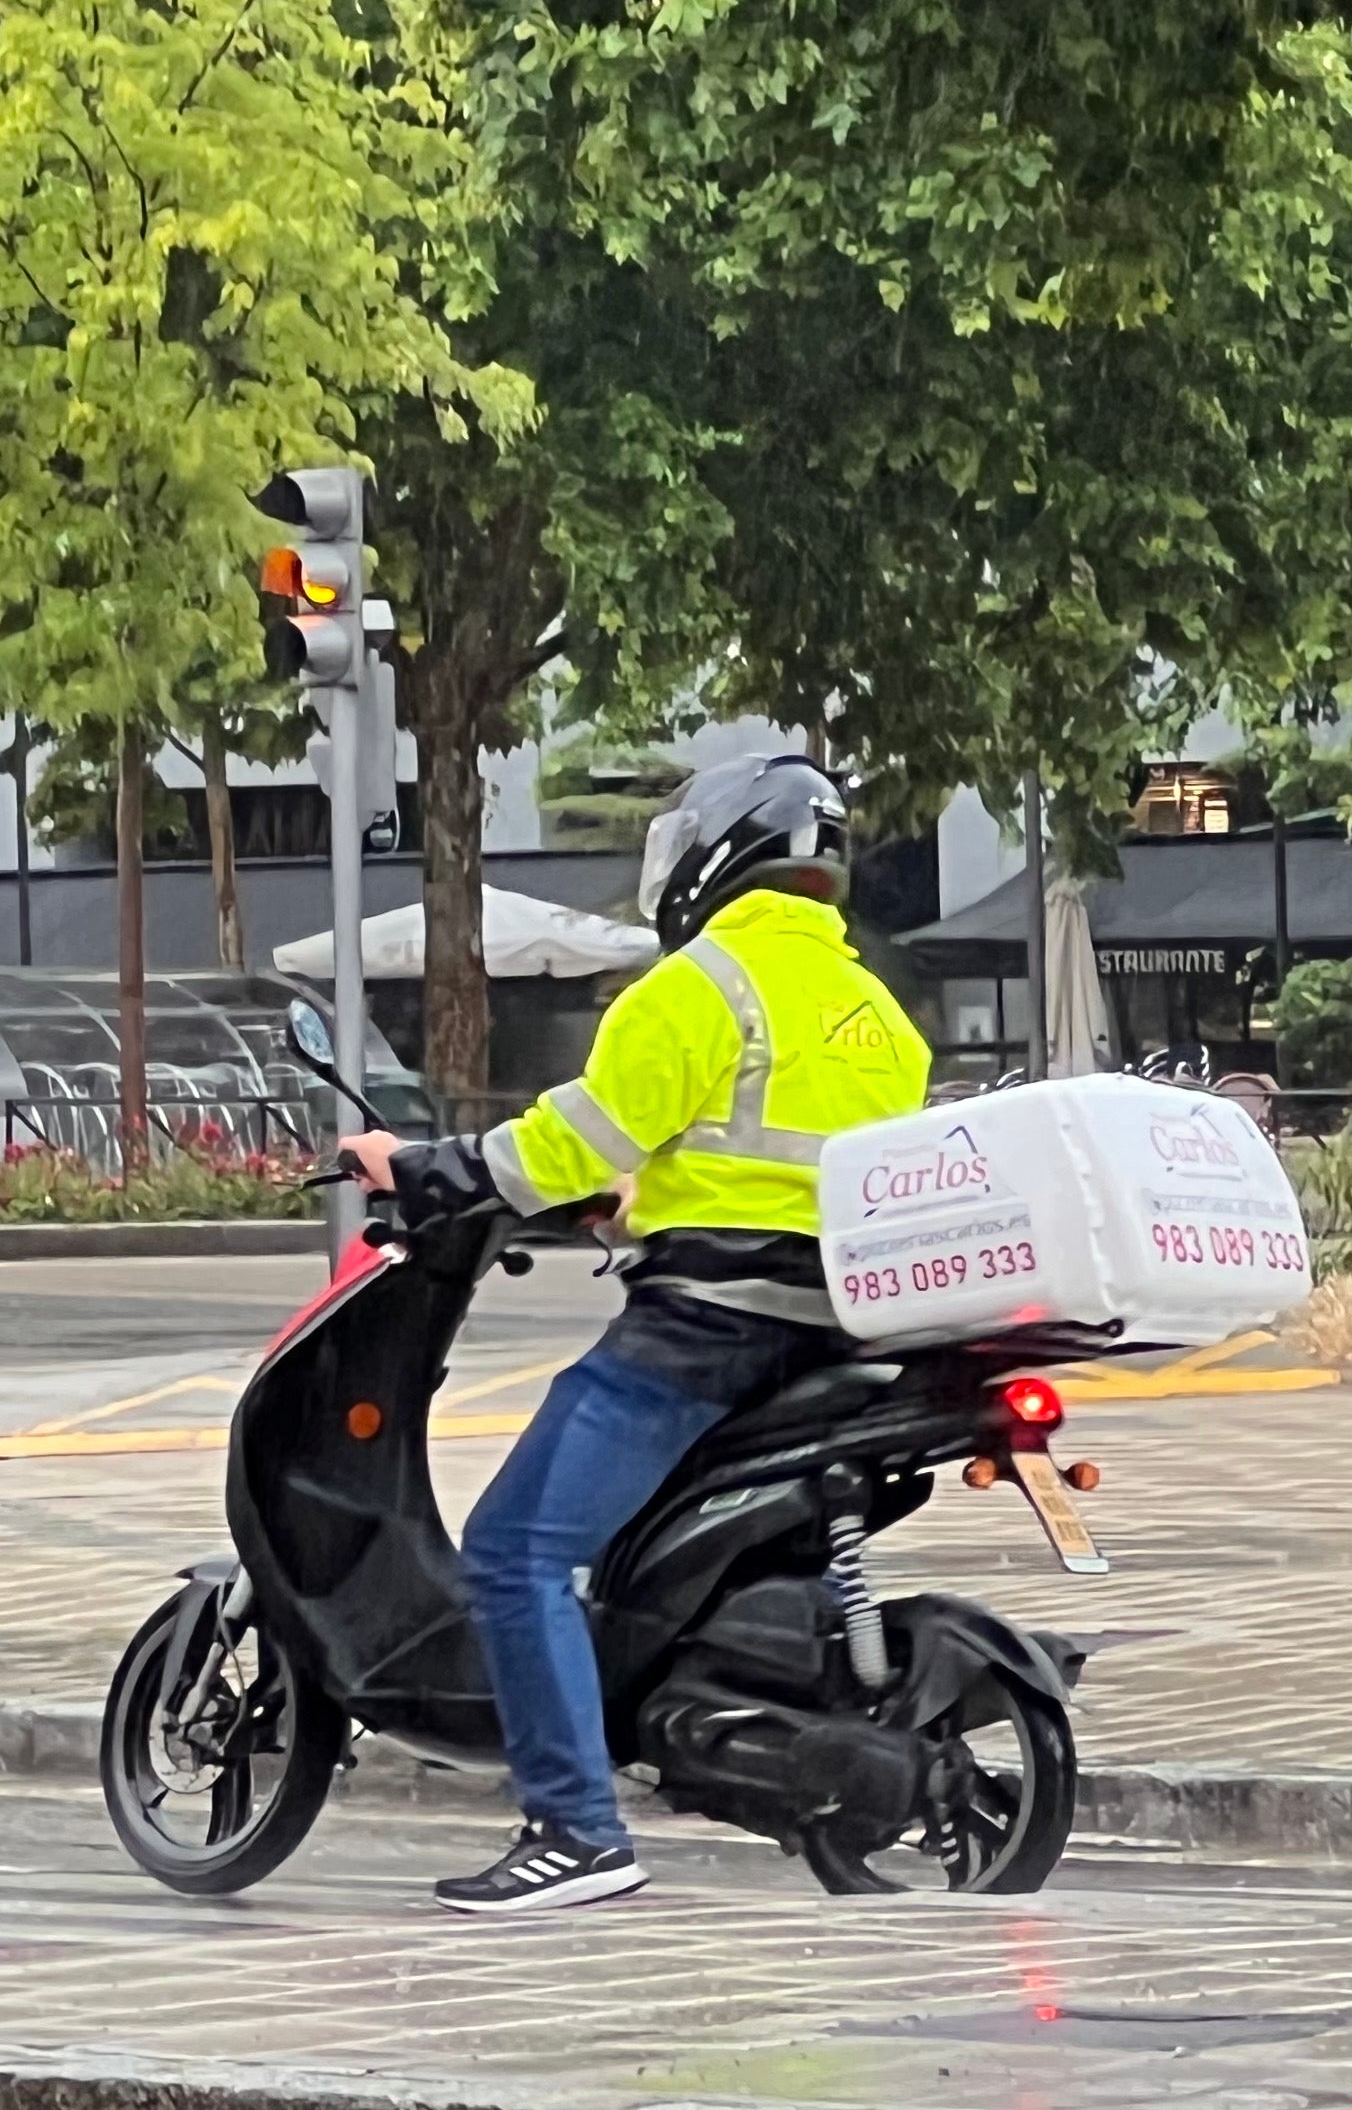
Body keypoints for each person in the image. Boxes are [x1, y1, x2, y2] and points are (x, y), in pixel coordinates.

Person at [338, 753, 927, 1916]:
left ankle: (576, 1828)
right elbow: (770, 1172)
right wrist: (638, 1201)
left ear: (712, 857)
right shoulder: (882, 1018)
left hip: (707, 1331)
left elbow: (569, 1141)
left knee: (514, 1551)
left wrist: (420, 1165)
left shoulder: (699, 987)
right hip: (840, 1334)